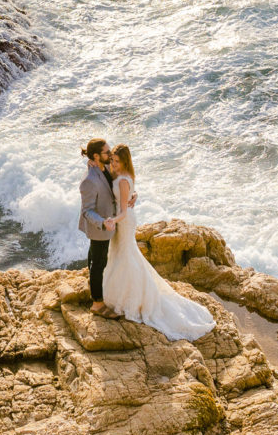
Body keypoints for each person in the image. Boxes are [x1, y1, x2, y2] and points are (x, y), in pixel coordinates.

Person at [102, 144, 216, 341]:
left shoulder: (121, 180)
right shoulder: (126, 175)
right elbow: (129, 194)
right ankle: (126, 292)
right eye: (112, 160)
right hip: (127, 217)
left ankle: (131, 297)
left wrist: (112, 220)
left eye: (117, 161)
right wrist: (132, 196)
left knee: (126, 256)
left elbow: (122, 210)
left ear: (125, 161)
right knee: (126, 255)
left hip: (124, 220)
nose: (113, 163)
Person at [78, 137, 136, 318]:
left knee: (96, 258)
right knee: (99, 263)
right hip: (100, 226)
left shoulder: (106, 168)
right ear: (96, 156)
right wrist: (103, 222)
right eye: (107, 152)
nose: (110, 155)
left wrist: (134, 194)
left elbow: (121, 185)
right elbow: (87, 211)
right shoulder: (89, 179)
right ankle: (97, 303)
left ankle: (93, 288)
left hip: (111, 222)